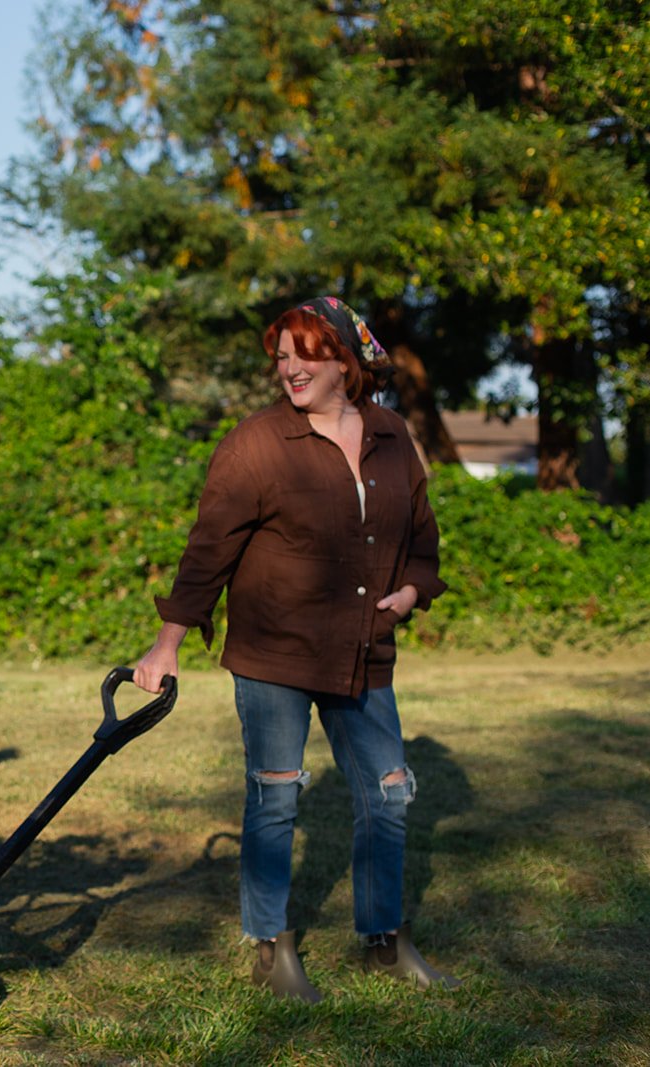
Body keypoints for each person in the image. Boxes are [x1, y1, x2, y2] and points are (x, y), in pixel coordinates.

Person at [132, 296, 460, 1001]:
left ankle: (384, 939)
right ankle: (272, 946)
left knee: (389, 794)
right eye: (280, 354)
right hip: (275, 654)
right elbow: (208, 550)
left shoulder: (394, 438)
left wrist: (409, 591)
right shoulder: (256, 443)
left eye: (303, 351)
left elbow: (423, 545)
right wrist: (167, 646)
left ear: (344, 358)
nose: (288, 366)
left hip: (363, 653)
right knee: (276, 797)